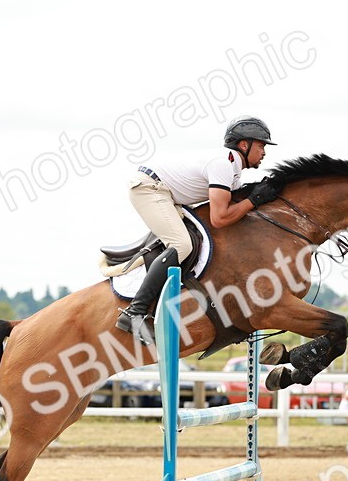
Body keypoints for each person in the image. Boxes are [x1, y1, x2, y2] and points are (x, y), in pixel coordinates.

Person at [115, 115, 281, 347]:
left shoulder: (233, 171)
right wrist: (254, 200)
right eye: (261, 145)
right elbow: (220, 217)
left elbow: (235, 206)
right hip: (149, 189)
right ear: (244, 145)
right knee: (183, 245)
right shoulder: (223, 165)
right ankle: (134, 312)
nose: (264, 152)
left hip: (168, 194)